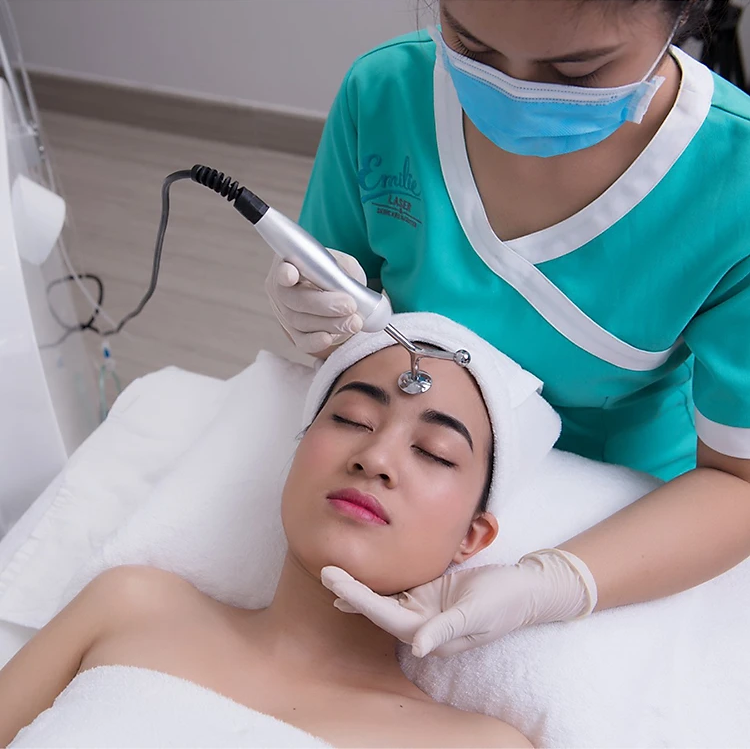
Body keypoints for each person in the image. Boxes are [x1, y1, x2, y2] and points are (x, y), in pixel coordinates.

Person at [265, 0, 750, 658]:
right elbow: (340, 306)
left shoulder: (735, 184)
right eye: (472, 47)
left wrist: (556, 585)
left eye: (577, 70)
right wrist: (318, 320)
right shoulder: (385, 93)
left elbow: (739, 482)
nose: (514, 92)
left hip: (623, 509)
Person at [0, 319, 537, 748]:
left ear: (472, 537)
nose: (376, 458)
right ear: (299, 450)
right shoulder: (130, 604)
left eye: (434, 452)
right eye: (353, 419)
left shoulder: (479, 745)